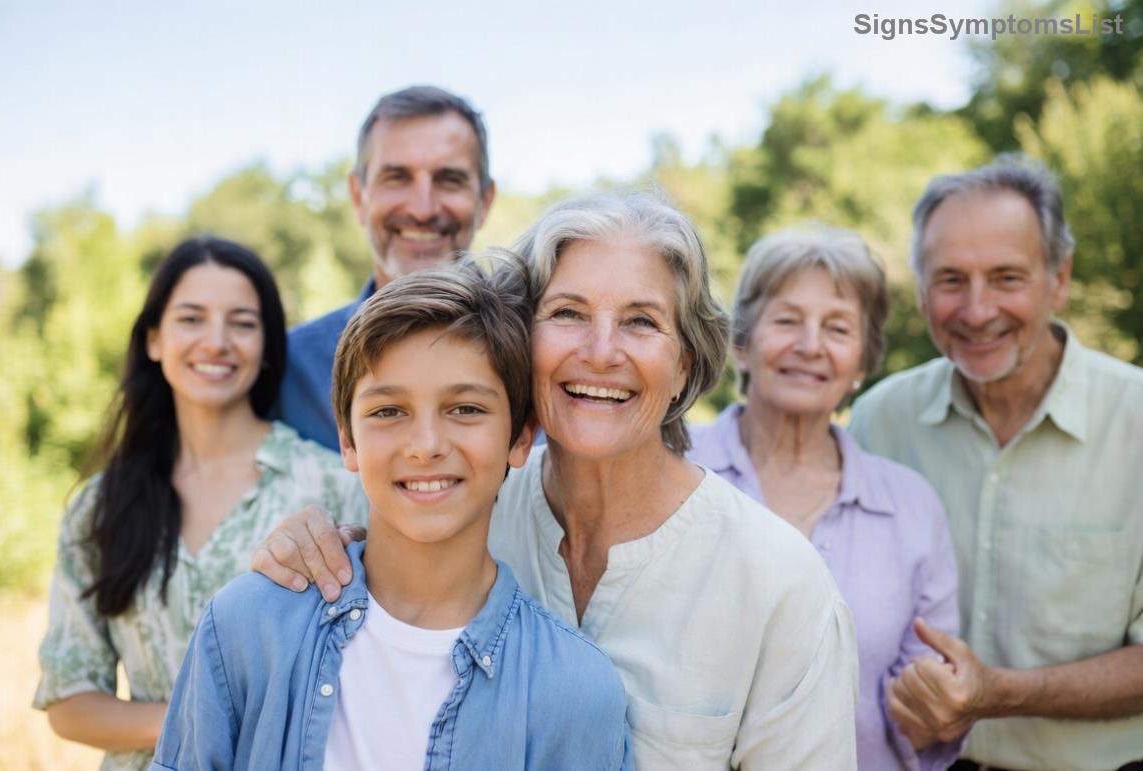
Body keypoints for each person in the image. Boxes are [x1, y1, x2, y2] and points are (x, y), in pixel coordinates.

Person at [255, 191, 860, 769]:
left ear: (685, 366)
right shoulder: (463, 509)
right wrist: (311, 544)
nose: (601, 352)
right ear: (521, 343)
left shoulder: (782, 585)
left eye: (641, 322)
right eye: (567, 314)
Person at [152, 261, 631, 770]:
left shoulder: (577, 691)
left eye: (466, 409)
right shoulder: (244, 626)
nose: (425, 446)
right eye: (388, 411)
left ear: (519, 437)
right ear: (346, 439)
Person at [849, 155, 1143, 771]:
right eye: (951, 280)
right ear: (923, 289)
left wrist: (997, 694)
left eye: (1007, 278)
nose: (977, 311)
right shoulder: (881, 420)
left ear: (1059, 279)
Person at [32, 237, 365, 771]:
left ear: (266, 348)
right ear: (154, 339)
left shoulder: (333, 485)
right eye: (191, 319)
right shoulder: (99, 507)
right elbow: (70, 704)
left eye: (242, 323)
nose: (216, 342)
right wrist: (199, 717)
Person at [687, 226, 960, 770]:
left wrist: (942, 701)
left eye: (837, 328)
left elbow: (929, 714)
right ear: (742, 345)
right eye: (787, 320)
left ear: (861, 364)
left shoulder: (910, 507)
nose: (810, 345)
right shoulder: (667, 468)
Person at [279, 84, 496, 450]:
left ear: (485, 200)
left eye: (449, 180)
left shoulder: (544, 354)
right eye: (397, 178)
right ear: (357, 197)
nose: (422, 208)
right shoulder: (289, 370)